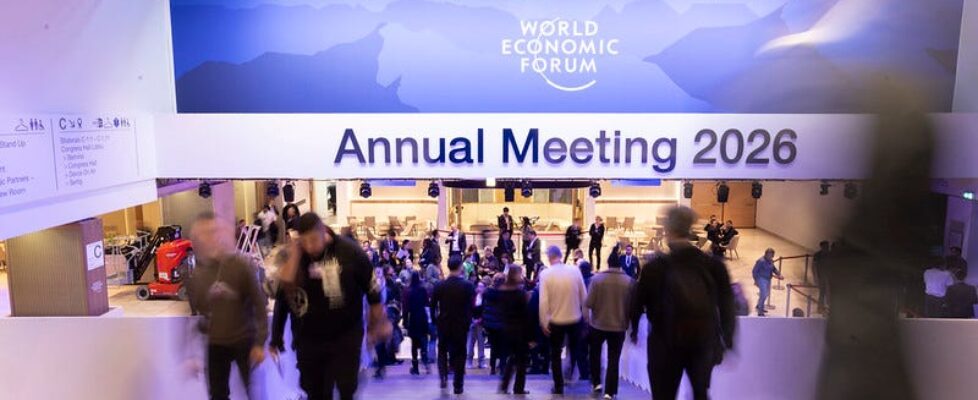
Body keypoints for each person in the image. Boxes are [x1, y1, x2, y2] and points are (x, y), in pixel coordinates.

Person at [277, 212, 392, 400]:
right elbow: (284, 289)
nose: (310, 247)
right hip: (310, 337)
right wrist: (296, 252)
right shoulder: (298, 257)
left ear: (323, 231)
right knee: (315, 392)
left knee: (347, 387)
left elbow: (373, 292)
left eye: (313, 240)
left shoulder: (350, 252)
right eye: (305, 241)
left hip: (345, 335)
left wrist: (377, 324)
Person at [631, 206, 736, 400]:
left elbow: (636, 304)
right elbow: (727, 305)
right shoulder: (713, 266)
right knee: (700, 393)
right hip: (702, 342)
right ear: (690, 229)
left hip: (664, 343)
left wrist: (634, 330)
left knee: (663, 396)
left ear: (667, 230)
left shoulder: (654, 268)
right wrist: (727, 341)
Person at [185, 212, 268, 400]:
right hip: (215, 343)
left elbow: (260, 304)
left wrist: (259, 342)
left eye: (211, 232)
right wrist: (191, 355)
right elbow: (199, 315)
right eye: (202, 234)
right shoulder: (198, 274)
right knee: (217, 394)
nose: (207, 238)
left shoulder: (240, 265)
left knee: (253, 392)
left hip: (244, 339)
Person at [538, 245, 589, 395]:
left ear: (549, 257)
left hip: (556, 320)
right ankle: (570, 375)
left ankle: (558, 385)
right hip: (574, 318)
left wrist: (544, 321)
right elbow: (583, 296)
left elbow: (544, 301)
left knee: (555, 354)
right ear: (561, 256)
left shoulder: (546, 274)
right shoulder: (575, 270)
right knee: (573, 350)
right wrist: (586, 316)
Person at [586, 255, 636, 400]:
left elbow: (589, 303)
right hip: (619, 326)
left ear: (607, 264)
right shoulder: (629, 282)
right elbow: (632, 306)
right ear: (620, 265)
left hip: (598, 324)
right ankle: (610, 391)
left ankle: (596, 382)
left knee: (594, 354)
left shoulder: (596, 280)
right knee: (613, 359)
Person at [431, 255, 476, 394]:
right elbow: (471, 306)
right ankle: (458, 385)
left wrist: (435, 320)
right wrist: (468, 320)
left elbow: (432, 305)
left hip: (444, 323)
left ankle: (443, 376)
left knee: (442, 351)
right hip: (460, 324)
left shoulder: (440, 285)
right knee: (460, 353)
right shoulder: (468, 286)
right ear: (460, 267)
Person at [496, 265, 532, 395]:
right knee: (521, 360)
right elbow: (525, 315)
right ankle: (518, 387)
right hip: (520, 330)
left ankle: (504, 385)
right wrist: (530, 336)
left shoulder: (502, 291)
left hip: (506, 328)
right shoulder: (520, 293)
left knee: (512, 358)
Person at [403, 271, 432, 375]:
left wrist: (405, 321)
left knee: (414, 344)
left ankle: (415, 367)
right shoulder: (423, 289)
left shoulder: (407, 291)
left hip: (413, 318)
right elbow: (427, 303)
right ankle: (426, 362)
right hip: (422, 317)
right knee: (424, 340)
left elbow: (405, 308)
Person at [482, 274, 506, 375]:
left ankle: (492, 367)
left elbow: (484, 306)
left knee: (493, 346)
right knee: (503, 346)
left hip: (491, 324)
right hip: (502, 323)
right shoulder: (506, 293)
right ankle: (502, 367)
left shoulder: (488, 292)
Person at [752, 248, 783, 317]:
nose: (770, 256)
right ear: (765, 254)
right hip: (761, 279)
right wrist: (756, 280)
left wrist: (779, 274)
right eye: (768, 255)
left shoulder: (771, 261)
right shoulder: (760, 261)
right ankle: (760, 311)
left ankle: (758, 305)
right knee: (764, 294)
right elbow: (754, 271)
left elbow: (773, 269)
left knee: (766, 294)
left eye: (771, 255)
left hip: (768, 279)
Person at [468, 281, 487, 369]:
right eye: (478, 286)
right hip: (472, 322)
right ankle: (469, 361)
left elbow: (486, 310)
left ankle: (481, 361)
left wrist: (481, 319)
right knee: (470, 342)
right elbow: (469, 309)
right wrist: (472, 319)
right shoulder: (473, 297)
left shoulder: (486, 298)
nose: (479, 288)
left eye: (481, 287)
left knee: (481, 343)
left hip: (481, 323)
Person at [812, 240, 832, 311]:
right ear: (822, 247)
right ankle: (820, 307)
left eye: (827, 246)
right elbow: (814, 266)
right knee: (822, 293)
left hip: (829, 277)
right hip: (821, 277)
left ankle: (828, 308)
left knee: (828, 293)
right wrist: (815, 277)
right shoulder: (817, 255)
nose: (827, 248)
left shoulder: (831, 254)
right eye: (825, 246)